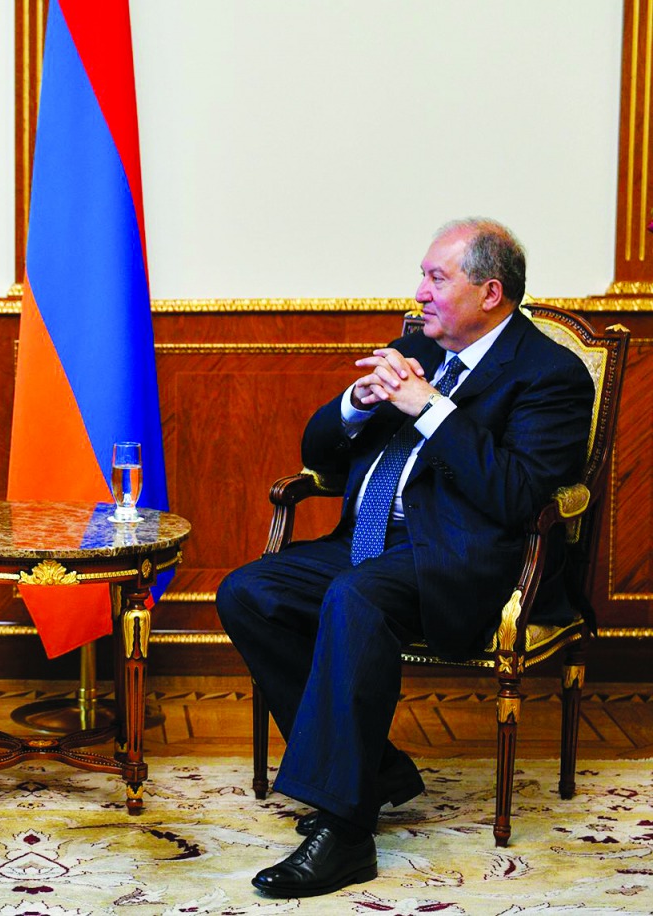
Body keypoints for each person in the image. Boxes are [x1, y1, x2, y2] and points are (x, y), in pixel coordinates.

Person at [216, 218, 595, 898]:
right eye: (422, 275)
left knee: (356, 596)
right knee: (250, 591)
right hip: (367, 545)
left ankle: (344, 831)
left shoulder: (549, 374)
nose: (418, 292)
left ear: (490, 293)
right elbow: (319, 454)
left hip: (461, 560)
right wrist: (357, 403)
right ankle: (377, 770)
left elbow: (517, 496)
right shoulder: (414, 348)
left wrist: (431, 409)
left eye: (436, 278)